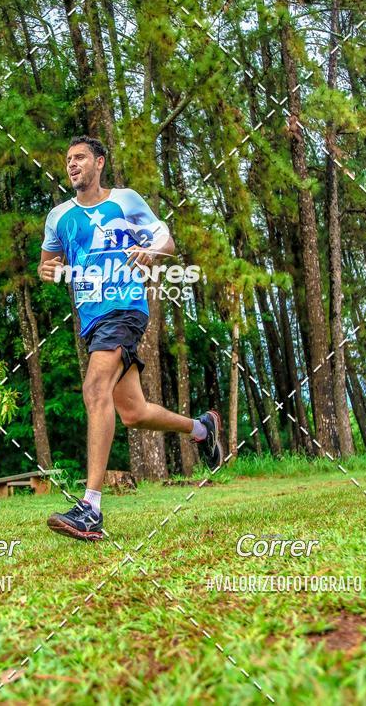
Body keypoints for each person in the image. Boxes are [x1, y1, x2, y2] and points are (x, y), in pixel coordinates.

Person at [38, 135, 223, 541]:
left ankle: (90, 508)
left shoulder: (125, 200)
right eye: (68, 159)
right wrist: (50, 271)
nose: (72, 164)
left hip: (124, 306)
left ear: (99, 163)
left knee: (94, 387)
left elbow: (166, 240)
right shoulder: (59, 217)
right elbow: (47, 263)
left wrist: (152, 253)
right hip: (91, 318)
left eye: (80, 158)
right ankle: (202, 428)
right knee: (133, 413)